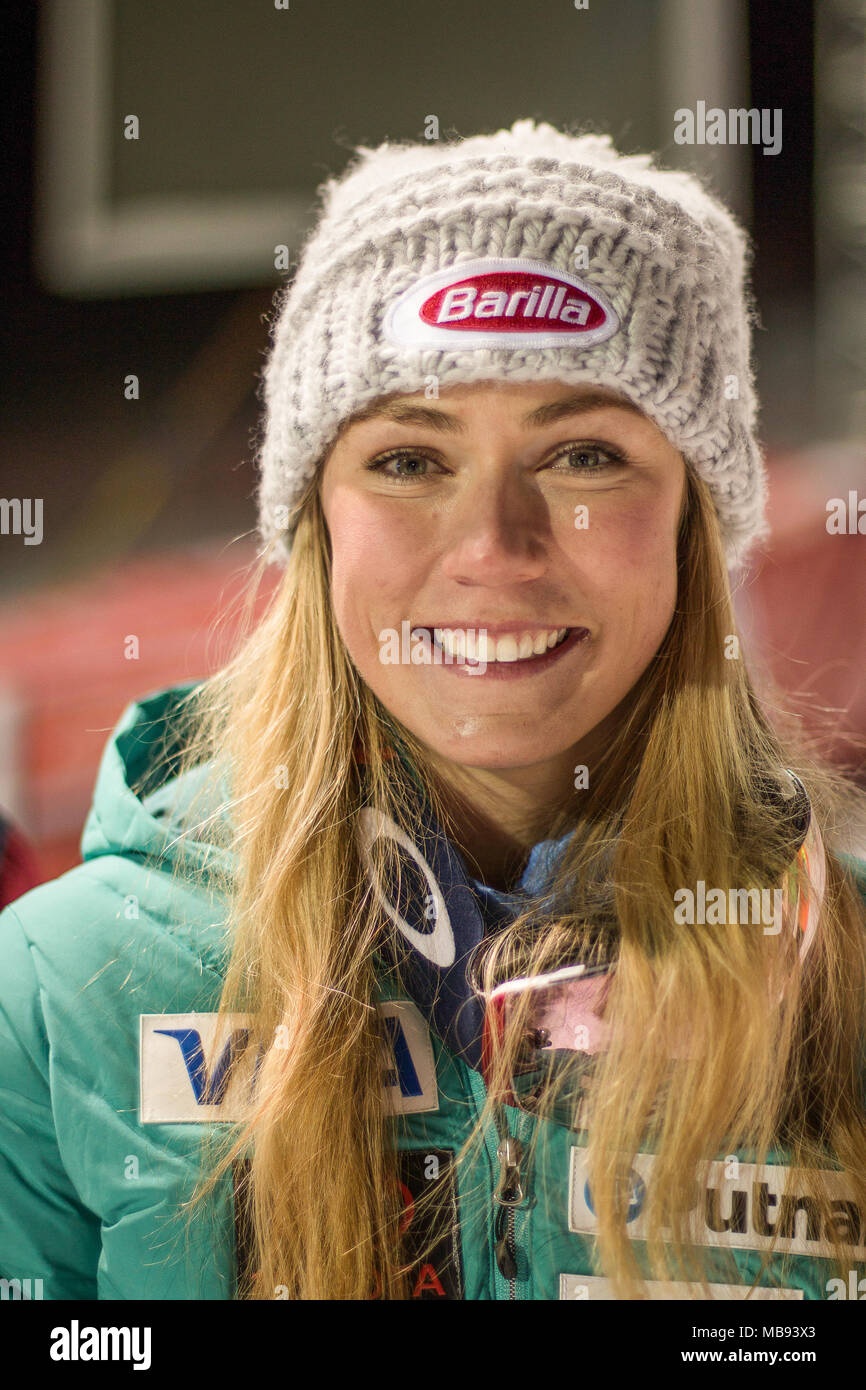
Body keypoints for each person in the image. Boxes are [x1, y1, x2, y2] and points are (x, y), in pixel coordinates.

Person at [1, 119, 864, 1303]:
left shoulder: (847, 983)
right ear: (314, 520)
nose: (491, 550)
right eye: (410, 458)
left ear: (692, 520)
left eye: (583, 456)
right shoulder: (56, 990)